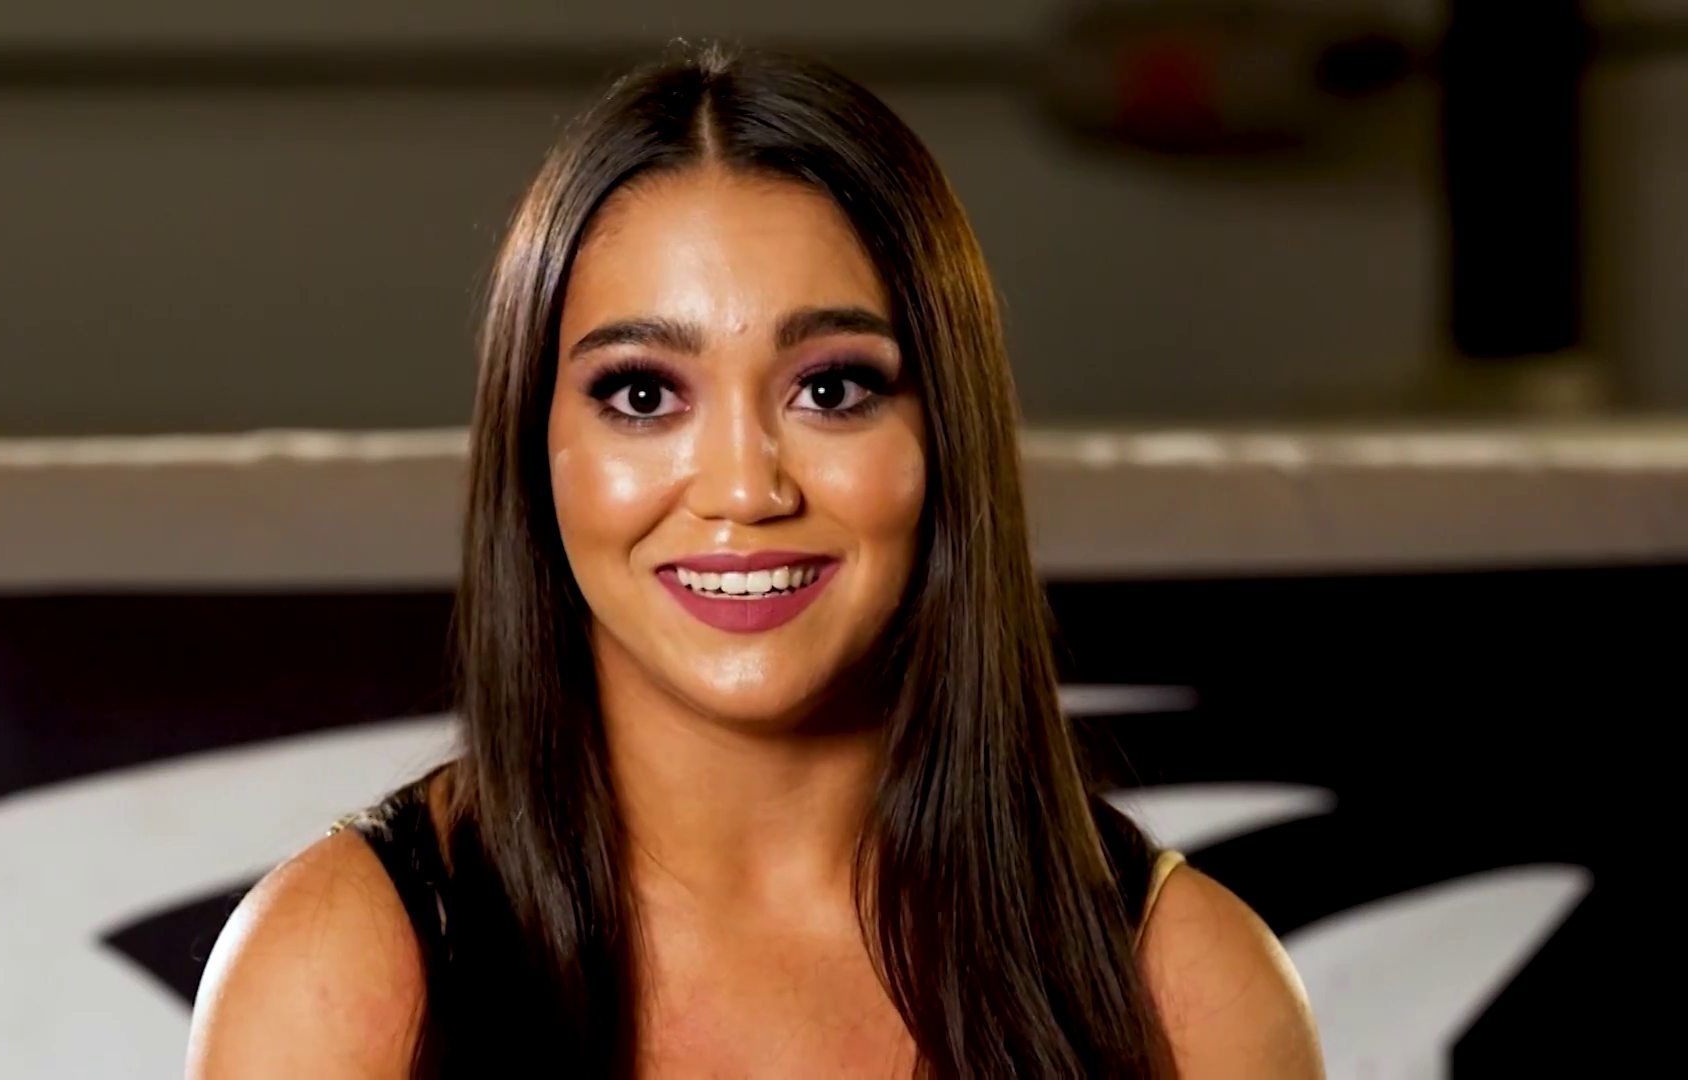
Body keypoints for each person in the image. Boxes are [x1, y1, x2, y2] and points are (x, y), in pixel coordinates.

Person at [186, 44, 1321, 1079]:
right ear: (536, 447)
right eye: (643, 395)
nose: (744, 488)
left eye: (831, 388)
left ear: (946, 435)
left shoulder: (1192, 999)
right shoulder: (339, 980)